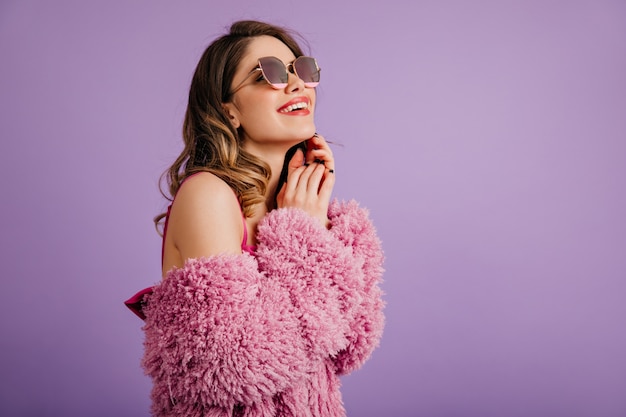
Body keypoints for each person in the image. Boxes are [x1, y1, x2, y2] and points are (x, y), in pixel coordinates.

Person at [125, 20, 385, 417]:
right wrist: (304, 233)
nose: (297, 84)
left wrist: (322, 226)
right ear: (229, 110)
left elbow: (350, 345)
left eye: (302, 69)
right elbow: (230, 366)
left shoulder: (298, 209)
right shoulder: (208, 194)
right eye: (271, 73)